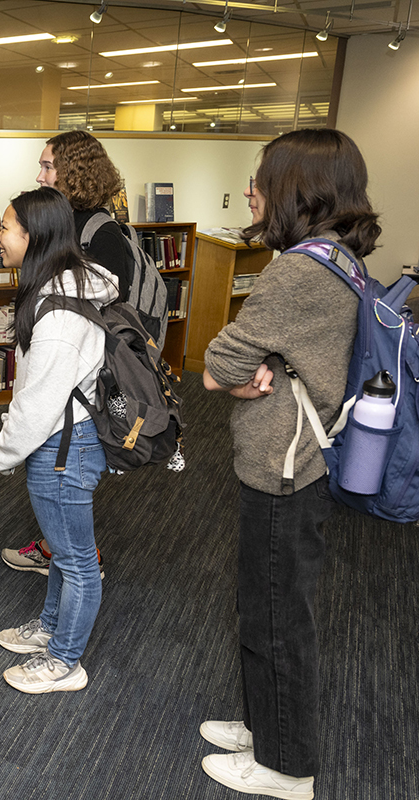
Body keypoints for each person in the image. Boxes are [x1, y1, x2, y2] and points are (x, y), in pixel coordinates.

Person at [199, 129, 380, 799]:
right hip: (304, 457)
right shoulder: (337, 257)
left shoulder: (298, 270)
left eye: (262, 179)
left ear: (297, 188)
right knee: (269, 604)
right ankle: (268, 727)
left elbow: (219, 364)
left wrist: (240, 375)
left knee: (274, 612)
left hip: (286, 464)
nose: (252, 190)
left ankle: (285, 768)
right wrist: (255, 369)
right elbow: (258, 359)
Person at [0, 186, 118, 694]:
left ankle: (65, 660)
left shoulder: (60, 313)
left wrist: (2, 453)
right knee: (64, 553)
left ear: (32, 236)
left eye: (5, 228)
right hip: (66, 440)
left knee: (78, 560)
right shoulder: (59, 286)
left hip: (66, 446)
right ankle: (50, 627)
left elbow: (39, 400)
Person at [2, 130, 125, 579]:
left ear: (75, 170)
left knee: (75, 543)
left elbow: (101, 322)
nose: (40, 174)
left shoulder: (99, 234)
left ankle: (76, 566)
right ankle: (65, 556)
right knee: (62, 511)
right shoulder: (60, 223)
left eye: (48, 166)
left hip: (78, 407)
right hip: (61, 409)